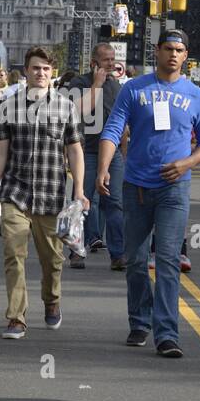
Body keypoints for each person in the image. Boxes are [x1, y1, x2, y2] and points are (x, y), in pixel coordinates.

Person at [97, 29, 200, 358]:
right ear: (157, 52)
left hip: (174, 188)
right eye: (167, 49)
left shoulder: (196, 96)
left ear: (186, 55)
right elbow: (113, 128)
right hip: (136, 186)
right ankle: (139, 321)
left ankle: (166, 332)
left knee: (167, 260)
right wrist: (104, 167)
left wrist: (187, 163)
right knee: (135, 261)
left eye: (179, 50)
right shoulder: (134, 89)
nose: (173, 55)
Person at [0, 47, 86, 339]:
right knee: (13, 254)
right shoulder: (8, 106)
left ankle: (52, 301)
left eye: (45, 69)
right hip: (15, 192)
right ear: (26, 71)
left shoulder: (66, 107)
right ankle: (17, 317)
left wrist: (78, 189)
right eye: (35, 68)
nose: (40, 73)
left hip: (51, 195)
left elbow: (75, 150)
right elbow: (0, 152)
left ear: (52, 72)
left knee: (52, 260)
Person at [68, 42, 126, 271]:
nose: (111, 64)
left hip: (112, 154)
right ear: (94, 63)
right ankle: (75, 251)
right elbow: (77, 111)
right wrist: (97, 84)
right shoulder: (79, 83)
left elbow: (122, 120)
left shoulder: (117, 86)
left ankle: (118, 254)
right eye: (106, 60)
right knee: (81, 201)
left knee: (115, 203)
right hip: (87, 152)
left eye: (113, 59)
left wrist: (123, 150)